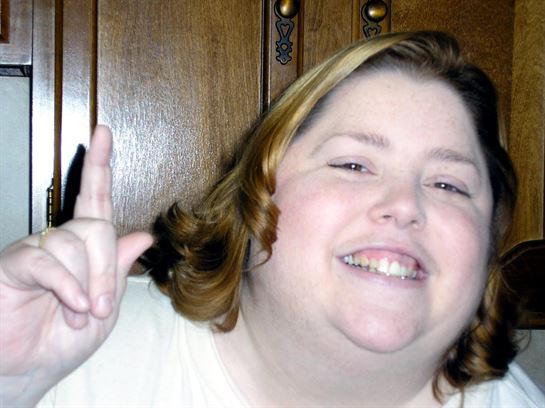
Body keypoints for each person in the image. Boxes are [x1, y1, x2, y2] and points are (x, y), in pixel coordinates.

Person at [1, 31, 543, 407]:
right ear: (252, 200)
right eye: (353, 165)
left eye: (449, 185)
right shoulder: (78, 366)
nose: (405, 205)